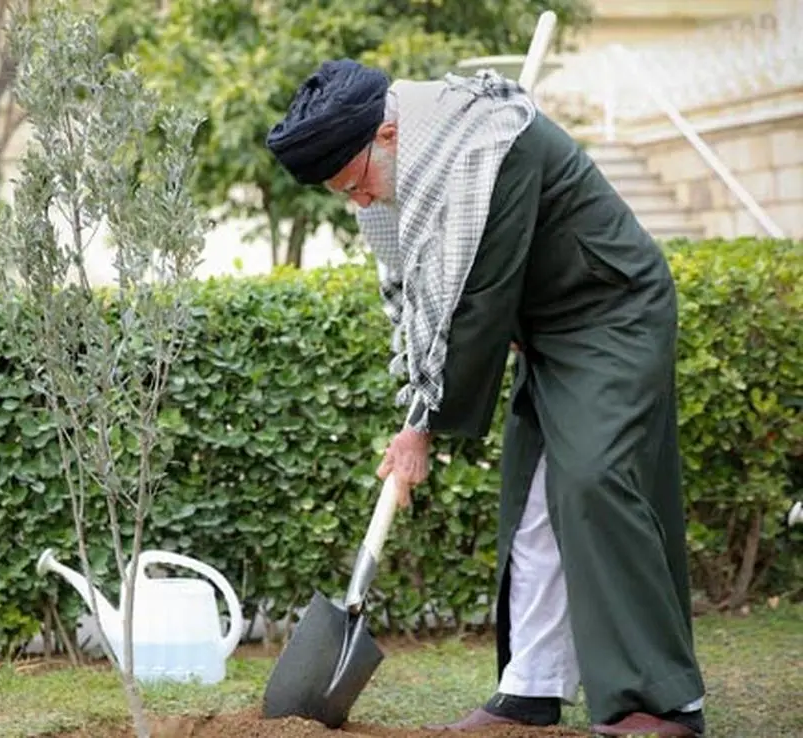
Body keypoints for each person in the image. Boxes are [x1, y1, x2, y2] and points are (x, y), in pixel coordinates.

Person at [265, 59, 708, 737]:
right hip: (546, 330)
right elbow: (431, 296)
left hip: (612, 310)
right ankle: (529, 690)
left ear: (387, 135)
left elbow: (479, 301)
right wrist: (423, 398)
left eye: (355, 185)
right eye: (341, 194)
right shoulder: (415, 170)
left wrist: (423, 429)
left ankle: (662, 701)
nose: (358, 204)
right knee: (533, 505)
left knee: (594, 482)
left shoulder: (493, 147)